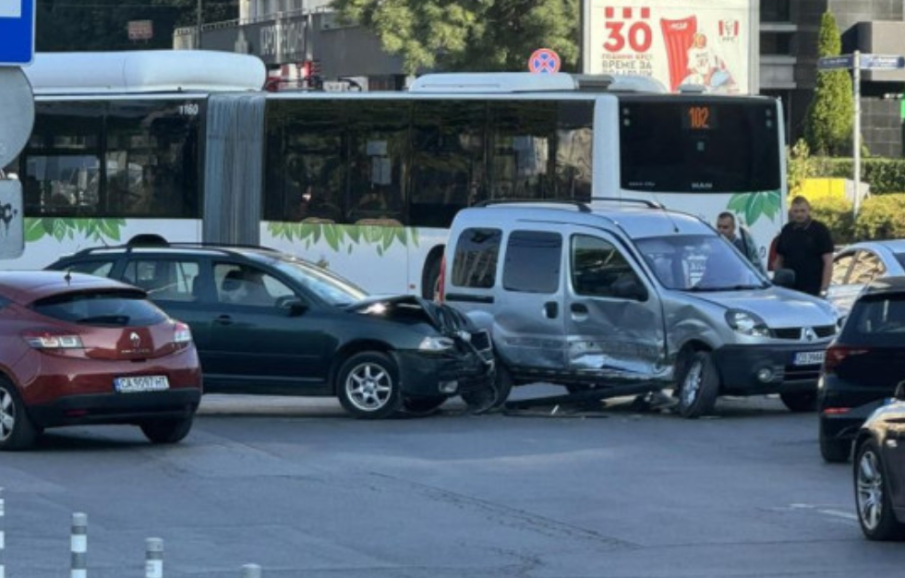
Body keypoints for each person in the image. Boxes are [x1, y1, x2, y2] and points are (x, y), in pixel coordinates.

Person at [773, 196, 834, 297]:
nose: (799, 214)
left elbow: (828, 262)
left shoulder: (820, 230)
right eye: (796, 211)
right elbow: (778, 261)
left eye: (802, 211)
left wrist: (824, 289)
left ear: (809, 210)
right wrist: (778, 285)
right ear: (791, 212)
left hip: (813, 290)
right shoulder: (786, 230)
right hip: (789, 291)